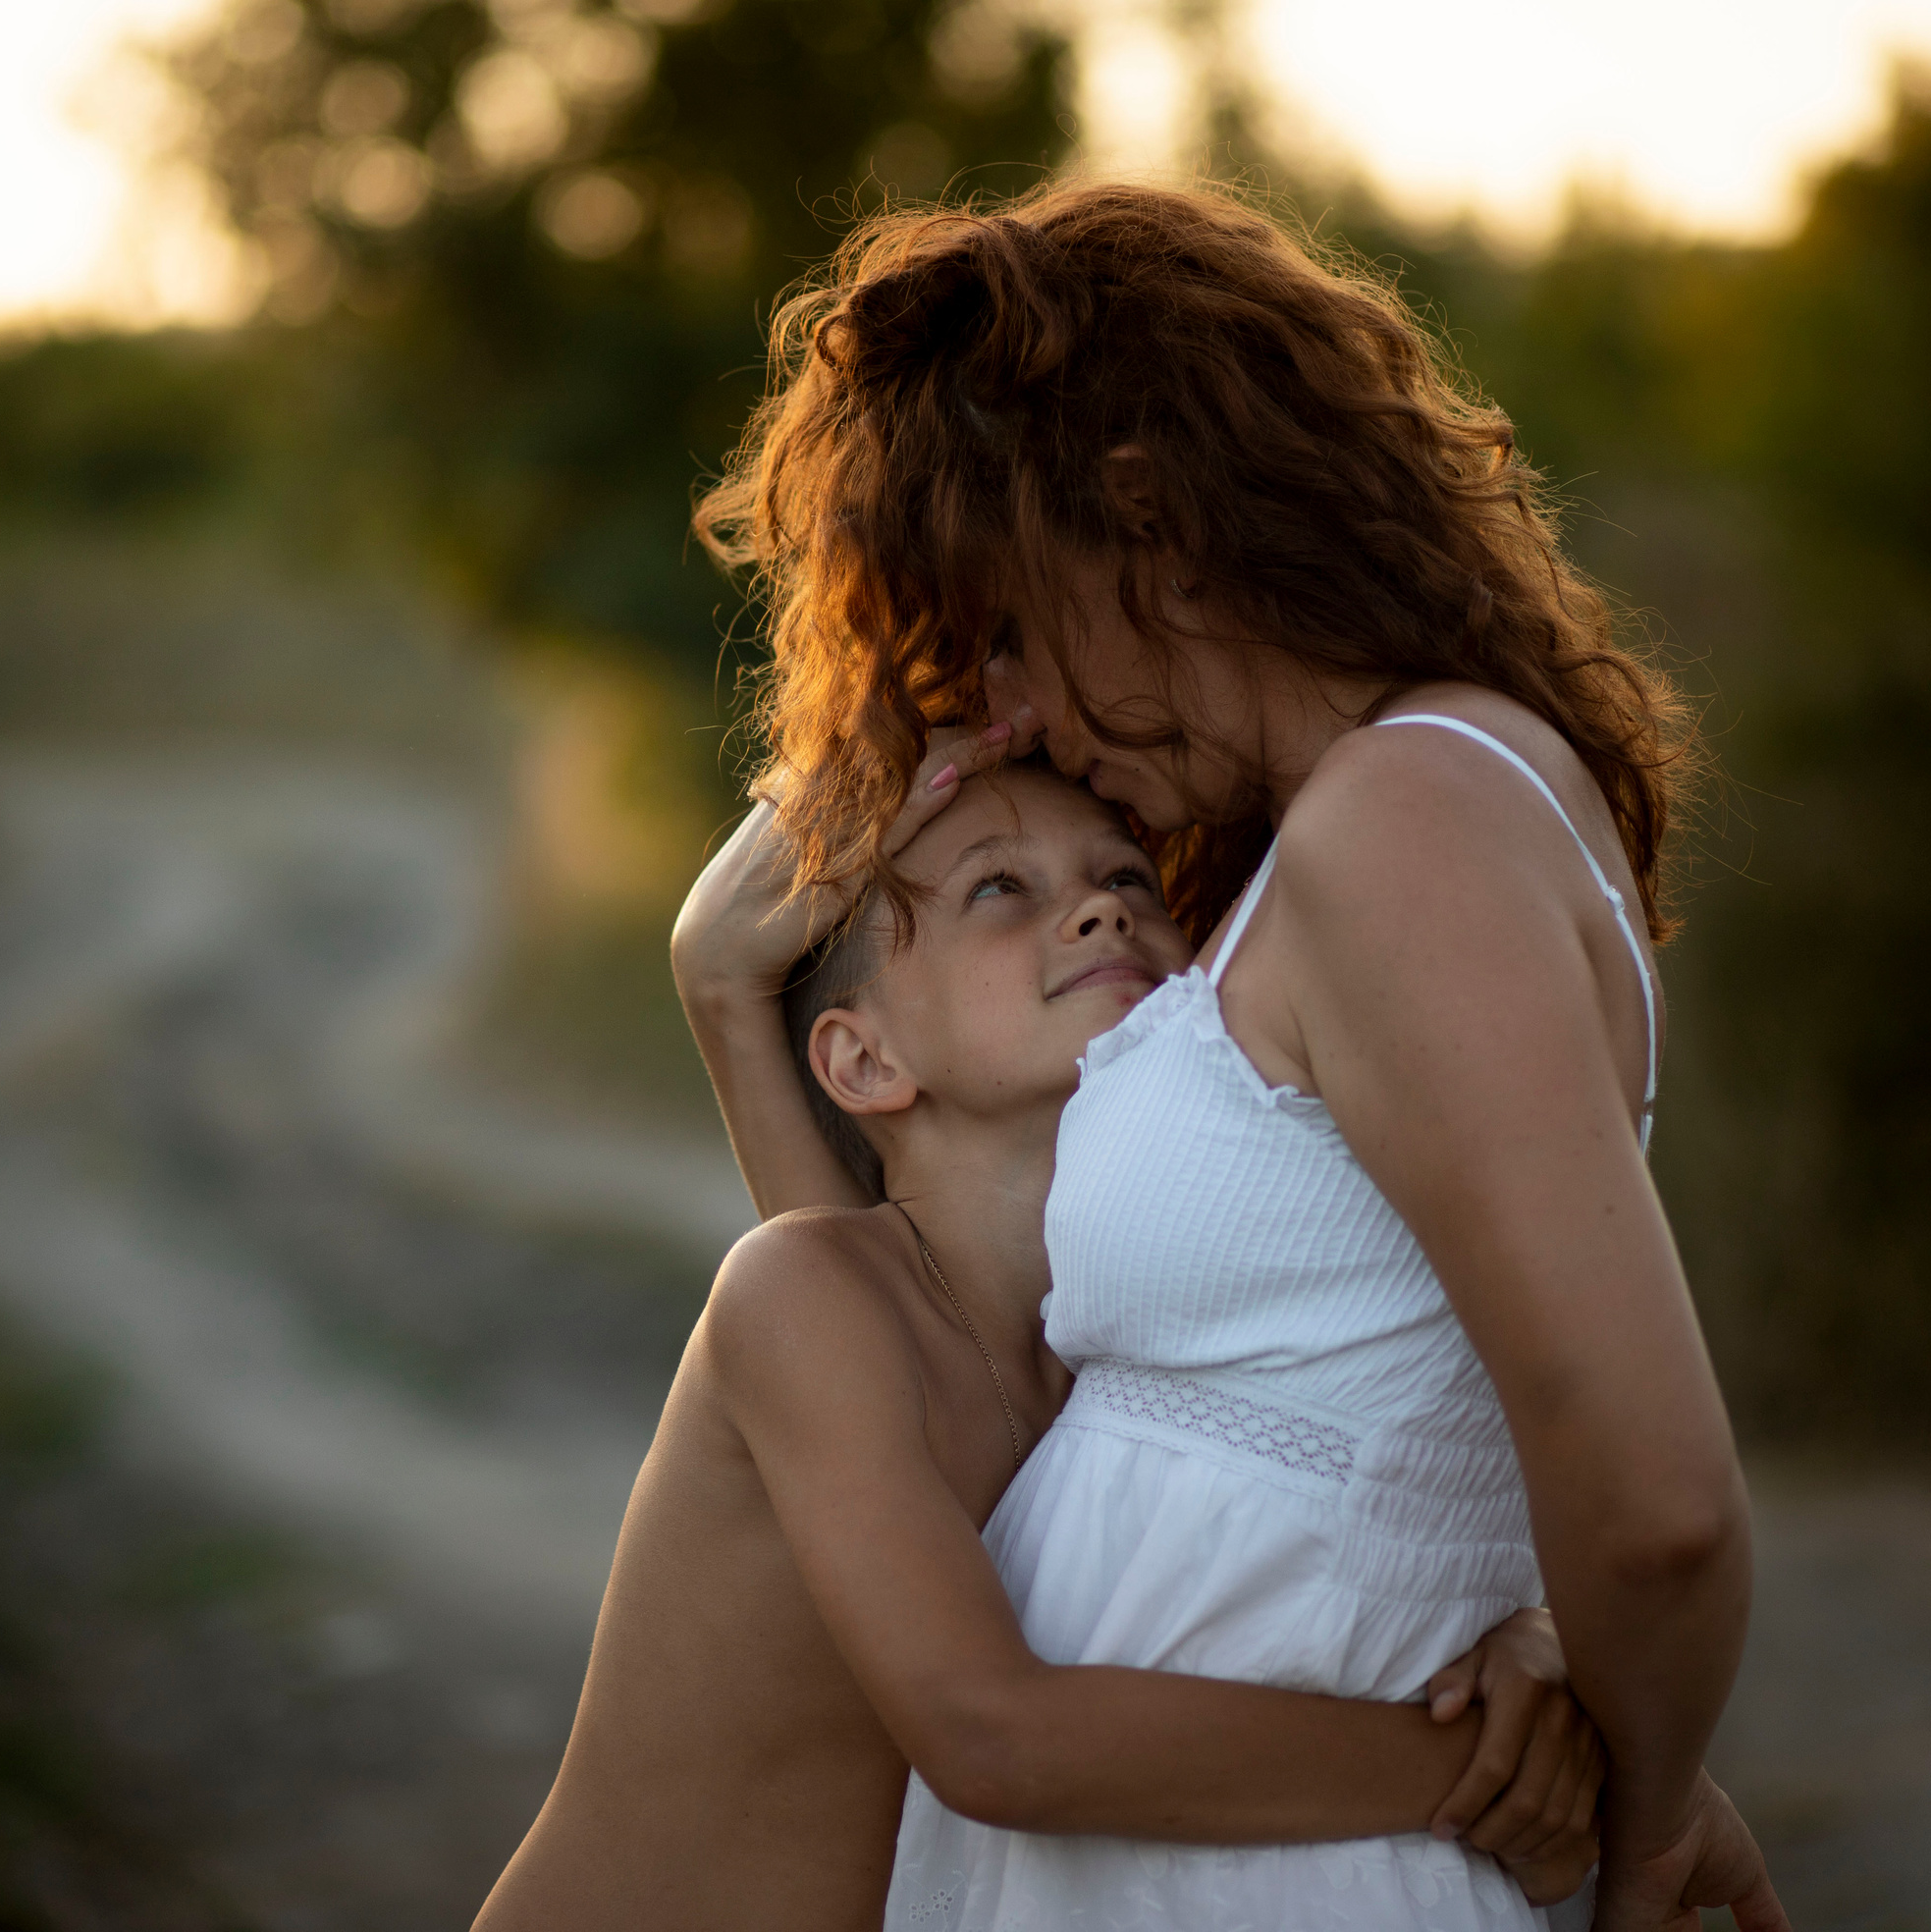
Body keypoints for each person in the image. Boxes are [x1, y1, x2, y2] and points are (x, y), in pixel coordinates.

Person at [676, 180, 1790, 1930]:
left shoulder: (1407, 818)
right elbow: (965, 1380)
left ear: (1147, 520)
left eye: (1018, 633)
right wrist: (732, 996)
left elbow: (1650, 1498)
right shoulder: (1340, 838)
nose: (1015, 712)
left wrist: (1640, 1805)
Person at [476, 761, 1603, 1932]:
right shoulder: (801, 1295)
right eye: (997, 888)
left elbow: (1328, 1535)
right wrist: (1481, 1779)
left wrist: (1526, 1634)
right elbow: (991, 1740)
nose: (1104, 908)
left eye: (1127, 877)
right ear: (864, 1062)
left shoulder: (1131, 1371)